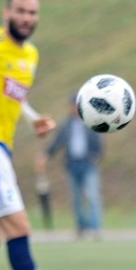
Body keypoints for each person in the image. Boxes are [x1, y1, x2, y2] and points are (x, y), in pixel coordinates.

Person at [0, 0, 92, 270]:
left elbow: (11, 94)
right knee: (19, 228)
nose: (26, 18)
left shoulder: (30, 56)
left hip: (2, 147)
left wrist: (33, 118)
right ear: (6, 12)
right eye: (20, 11)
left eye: (32, 13)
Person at [36, 93, 104, 239]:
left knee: (92, 196)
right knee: (76, 198)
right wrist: (46, 155)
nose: (74, 108)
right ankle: (81, 227)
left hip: (88, 163)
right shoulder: (66, 124)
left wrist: (95, 158)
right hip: (72, 164)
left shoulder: (91, 122)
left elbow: (98, 142)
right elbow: (57, 142)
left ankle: (95, 228)